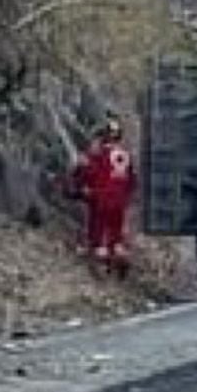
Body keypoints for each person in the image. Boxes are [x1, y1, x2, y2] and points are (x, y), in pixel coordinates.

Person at [70, 116, 136, 275]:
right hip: (119, 202)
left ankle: (103, 264)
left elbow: (85, 174)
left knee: (98, 234)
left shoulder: (97, 155)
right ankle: (120, 255)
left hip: (100, 200)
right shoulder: (126, 156)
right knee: (116, 234)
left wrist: (78, 186)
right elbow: (132, 181)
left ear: (103, 136)